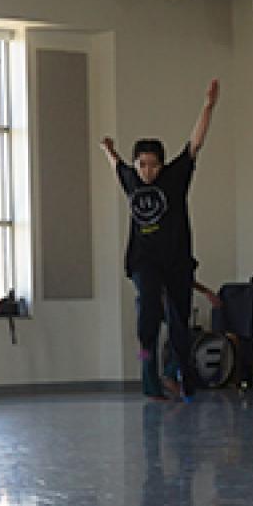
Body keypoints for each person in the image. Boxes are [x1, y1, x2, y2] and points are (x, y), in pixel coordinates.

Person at [99, 80, 219, 400]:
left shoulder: (175, 178)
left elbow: (195, 144)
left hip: (177, 260)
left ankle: (178, 374)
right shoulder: (131, 179)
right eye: (142, 165)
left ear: (162, 165)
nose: (147, 171)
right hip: (143, 260)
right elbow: (117, 167)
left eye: (153, 165)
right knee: (148, 316)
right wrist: (109, 150)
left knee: (179, 321)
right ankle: (147, 370)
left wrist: (207, 107)